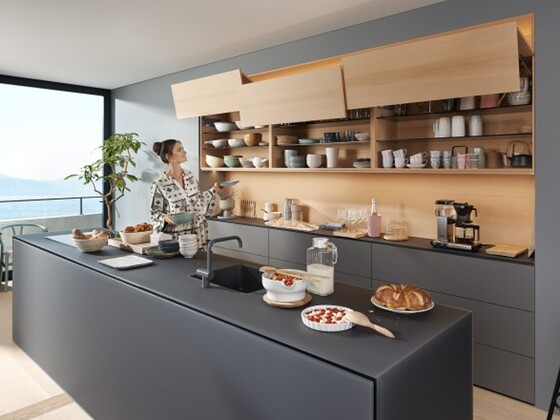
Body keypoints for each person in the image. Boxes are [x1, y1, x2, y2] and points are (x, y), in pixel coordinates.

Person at [150, 139, 221, 248]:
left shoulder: (190, 176)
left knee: (199, 259)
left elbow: (198, 201)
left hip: (197, 232)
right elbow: (155, 212)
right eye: (179, 150)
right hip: (175, 238)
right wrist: (165, 217)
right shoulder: (159, 184)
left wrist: (214, 190)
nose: (184, 152)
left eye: (183, 149)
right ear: (168, 156)